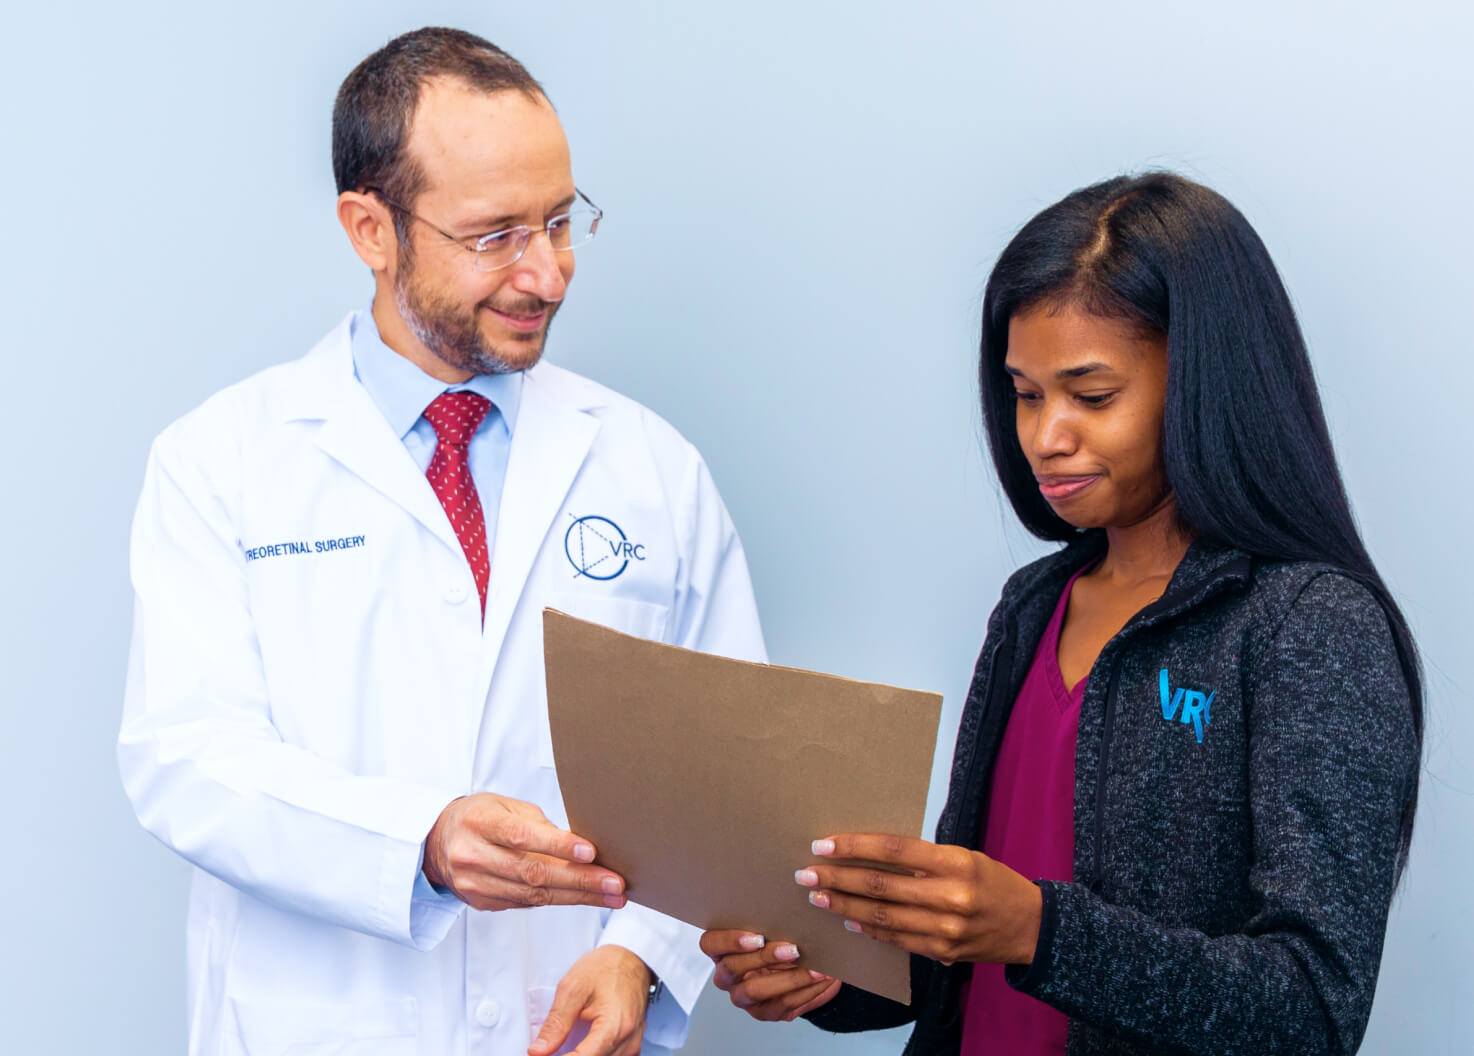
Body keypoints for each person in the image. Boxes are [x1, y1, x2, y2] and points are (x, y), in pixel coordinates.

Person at [118, 27, 764, 1056]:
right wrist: (420, 838)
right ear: (371, 229)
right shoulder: (223, 461)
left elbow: (728, 760)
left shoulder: (650, 468)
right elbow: (186, 761)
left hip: (563, 1023)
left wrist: (641, 952)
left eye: (560, 222)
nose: (546, 273)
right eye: (495, 234)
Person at [701, 172, 1421, 1054]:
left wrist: (1042, 930)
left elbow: (1311, 1011)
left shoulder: (1309, 627)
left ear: (1203, 383)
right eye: (1025, 393)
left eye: (1091, 395)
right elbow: (955, 967)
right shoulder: (1031, 607)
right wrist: (830, 977)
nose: (1044, 435)